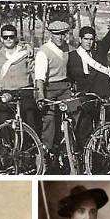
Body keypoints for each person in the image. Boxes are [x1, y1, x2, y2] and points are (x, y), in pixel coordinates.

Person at [67, 7, 110, 147]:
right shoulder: (72, 57)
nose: (89, 42)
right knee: (83, 130)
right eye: (86, 39)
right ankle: (84, 158)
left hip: (104, 97)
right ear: (80, 40)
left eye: (91, 39)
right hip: (86, 99)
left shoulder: (100, 51)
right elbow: (69, 78)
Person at [34, 20, 74, 156]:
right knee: (49, 120)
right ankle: (46, 151)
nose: (60, 37)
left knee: (76, 111)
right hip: (49, 88)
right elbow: (39, 77)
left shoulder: (68, 49)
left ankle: (75, 148)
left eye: (63, 34)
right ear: (51, 34)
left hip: (65, 88)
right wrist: (41, 96)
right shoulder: (44, 51)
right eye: (57, 34)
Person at [0, 24, 38, 133]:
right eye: (5, 37)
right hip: (7, 92)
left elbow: (33, 70)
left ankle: (31, 147)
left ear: (16, 37)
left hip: (25, 90)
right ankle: (4, 148)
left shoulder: (26, 53)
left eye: (11, 36)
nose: (9, 39)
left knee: (30, 121)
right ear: (1, 39)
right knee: (2, 121)